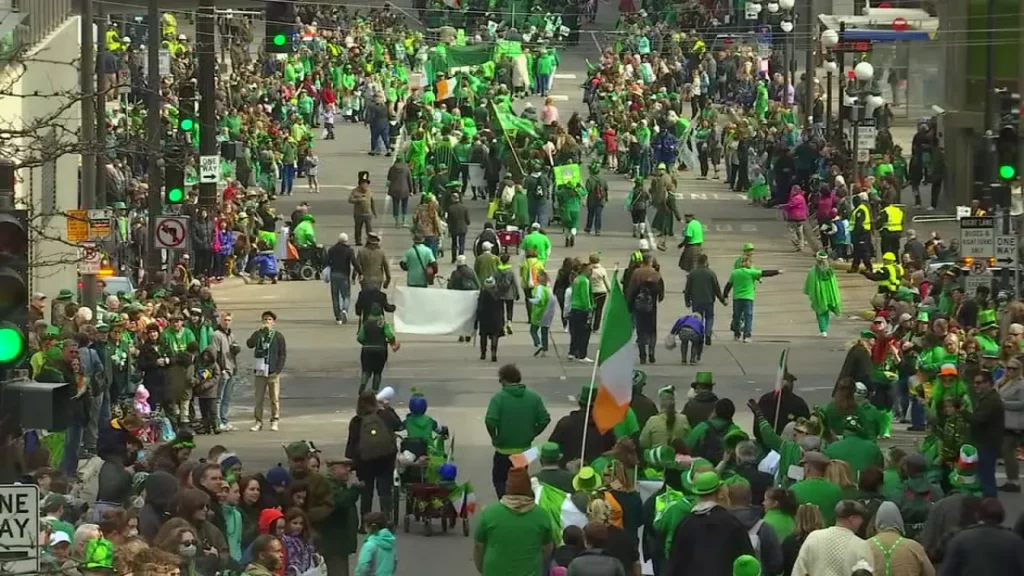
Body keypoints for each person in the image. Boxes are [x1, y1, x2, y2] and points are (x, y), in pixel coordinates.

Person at [665, 471, 753, 576]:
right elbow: (747, 561)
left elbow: (675, 563)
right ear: (720, 492)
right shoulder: (731, 523)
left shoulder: (686, 524)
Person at [484, 364, 550, 497]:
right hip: (525, 450)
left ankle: (505, 503)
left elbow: (490, 420)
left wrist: (494, 437)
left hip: (503, 450)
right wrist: (533, 433)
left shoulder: (499, 398)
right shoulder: (534, 397)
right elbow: (545, 419)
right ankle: (518, 502)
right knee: (520, 480)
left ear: (504, 380)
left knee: (500, 479)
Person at [474, 467, 553, 576]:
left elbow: (479, 547)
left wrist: (482, 568)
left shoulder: (489, 513)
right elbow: (547, 548)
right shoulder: (542, 516)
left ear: (507, 488)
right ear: (528, 489)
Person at [345, 391, 401, 523]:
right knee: (385, 491)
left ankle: (365, 522)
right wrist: (387, 408)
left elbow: (352, 444)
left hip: (364, 462)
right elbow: (399, 425)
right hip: (385, 459)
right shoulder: (384, 415)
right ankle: (386, 519)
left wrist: (351, 465)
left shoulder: (356, 421)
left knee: (366, 493)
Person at [939, 498, 1024, 576]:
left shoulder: (960, 539)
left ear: (977, 515)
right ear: (1002, 517)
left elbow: (947, 572)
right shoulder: (1015, 542)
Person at [791, 501, 874, 576]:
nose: (862, 521)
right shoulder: (861, 545)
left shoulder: (814, 537)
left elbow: (798, 571)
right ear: (851, 519)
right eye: (860, 518)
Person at [724, 256, 782, 343]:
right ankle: (747, 336)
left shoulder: (734, 273)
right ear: (748, 264)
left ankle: (737, 334)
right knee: (748, 317)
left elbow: (728, 285)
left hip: (737, 298)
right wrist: (777, 271)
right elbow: (764, 273)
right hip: (748, 298)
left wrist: (725, 296)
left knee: (737, 316)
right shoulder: (751, 272)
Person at [867, 502, 935, 576]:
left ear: (877, 522)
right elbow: (931, 574)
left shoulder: (865, 546)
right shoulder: (914, 547)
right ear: (900, 521)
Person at [246, 311, 287, 432]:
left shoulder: (278, 336)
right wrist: (258, 333)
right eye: (265, 319)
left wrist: (278, 369)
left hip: (272, 371)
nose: (267, 321)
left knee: (274, 398)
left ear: (273, 322)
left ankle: (274, 420)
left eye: (269, 319)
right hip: (260, 371)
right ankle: (258, 421)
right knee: (259, 399)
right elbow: (249, 344)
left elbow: (282, 354)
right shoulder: (258, 334)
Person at [966, 371, 1004, 497]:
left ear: (988, 383)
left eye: (979, 383)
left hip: (987, 444)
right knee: (984, 475)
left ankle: (990, 506)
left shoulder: (991, 401)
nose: (975, 385)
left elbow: (978, 420)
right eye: (974, 383)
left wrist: (961, 412)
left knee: (986, 477)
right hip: (985, 443)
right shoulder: (987, 399)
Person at [320, 456, 360, 576]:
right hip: (333, 544)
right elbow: (341, 502)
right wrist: (354, 489)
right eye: (344, 467)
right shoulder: (328, 485)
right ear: (333, 469)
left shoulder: (339, 484)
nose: (348, 470)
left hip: (340, 543)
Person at [790, 452, 844, 526]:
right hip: (827, 534)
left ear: (808, 468)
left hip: (802, 533)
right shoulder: (836, 490)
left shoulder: (794, 489)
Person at [684, 254, 725, 346]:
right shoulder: (711, 273)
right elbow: (716, 289)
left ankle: (699, 335)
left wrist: (687, 300)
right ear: (706, 262)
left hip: (696, 300)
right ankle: (708, 334)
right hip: (709, 300)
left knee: (698, 318)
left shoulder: (692, 273)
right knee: (709, 318)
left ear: (698, 262)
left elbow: (687, 289)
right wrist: (722, 300)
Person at [997, 358, 1024, 492]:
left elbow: (1022, 403)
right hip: (1002, 422)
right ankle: (1010, 480)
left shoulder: (1021, 384)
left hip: (1014, 423)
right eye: (1009, 368)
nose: (1011, 371)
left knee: (1009, 452)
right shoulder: (1003, 382)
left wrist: (1004, 404)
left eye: (1014, 368)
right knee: (1005, 452)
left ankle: (1014, 482)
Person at [804, 251, 842, 337]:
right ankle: (825, 329)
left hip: (819, 294)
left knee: (820, 312)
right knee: (827, 311)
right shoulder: (831, 271)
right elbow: (834, 283)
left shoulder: (813, 271)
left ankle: (823, 330)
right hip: (830, 294)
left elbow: (809, 283)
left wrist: (808, 292)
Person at [326, 233, 359, 324]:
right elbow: (354, 262)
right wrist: (360, 272)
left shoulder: (331, 250)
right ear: (346, 241)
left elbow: (327, 262)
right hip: (344, 275)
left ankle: (338, 317)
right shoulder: (349, 250)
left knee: (335, 296)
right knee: (346, 295)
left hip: (334, 274)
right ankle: (344, 310)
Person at [354, 512, 396, 576]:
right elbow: (394, 562)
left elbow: (363, 565)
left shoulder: (369, 545)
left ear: (369, 527)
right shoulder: (390, 542)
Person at [568, 263, 594, 362]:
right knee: (585, 333)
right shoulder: (584, 281)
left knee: (575, 332)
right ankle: (582, 354)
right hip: (582, 309)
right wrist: (589, 308)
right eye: (590, 270)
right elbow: (585, 296)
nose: (591, 272)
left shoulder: (577, 279)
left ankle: (573, 351)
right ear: (585, 270)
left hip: (574, 307)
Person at [476, 277, 505, 362]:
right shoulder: (498, 294)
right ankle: (494, 353)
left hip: (485, 317)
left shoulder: (483, 293)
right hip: (496, 317)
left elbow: (480, 306)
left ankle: (483, 353)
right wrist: (502, 319)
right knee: (495, 336)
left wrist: (477, 318)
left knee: (483, 336)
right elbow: (502, 308)